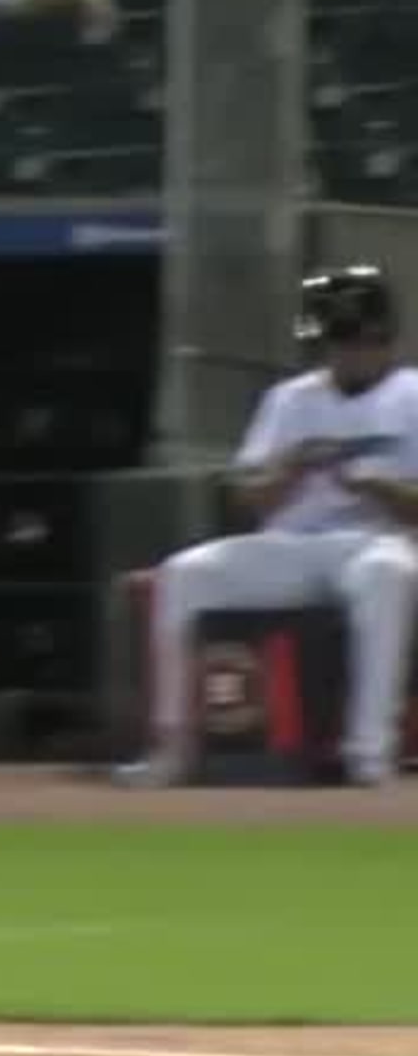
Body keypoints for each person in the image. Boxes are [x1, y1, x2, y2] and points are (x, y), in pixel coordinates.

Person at [123, 266, 418, 790]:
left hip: (375, 542)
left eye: (356, 339)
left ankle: (369, 755)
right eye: (335, 341)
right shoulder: (291, 399)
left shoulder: (412, 395)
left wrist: (378, 484)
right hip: (290, 545)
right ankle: (173, 747)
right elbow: (246, 497)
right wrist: (293, 466)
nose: (344, 352)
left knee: (387, 577)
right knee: (184, 574)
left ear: (384, 338)